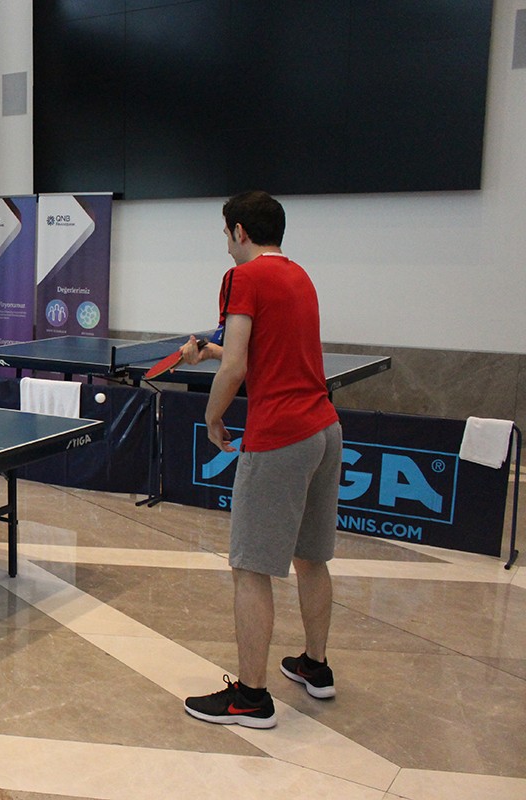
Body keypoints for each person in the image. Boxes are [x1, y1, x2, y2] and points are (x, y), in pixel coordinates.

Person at [180, 191, 342, 729]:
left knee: (250, 569)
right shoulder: (299, 277)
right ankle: (315, 666)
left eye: (226, 232)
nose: (226, 243)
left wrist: (212, 416)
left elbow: (237, 369)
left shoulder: (242, 278)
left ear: (240, 231)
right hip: (325, 429)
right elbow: (261, 353)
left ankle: (251, 698)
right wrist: (211, 351)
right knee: (311, 558)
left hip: (280, 437)